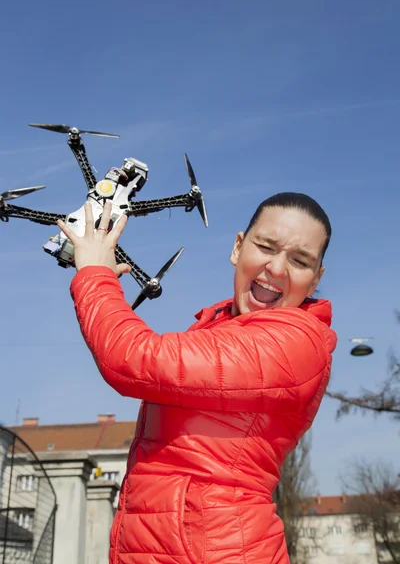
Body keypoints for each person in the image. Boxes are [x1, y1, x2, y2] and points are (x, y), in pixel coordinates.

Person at [58, 192, 337, 564]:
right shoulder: (217, 330)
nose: (277, 268)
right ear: (238, 247)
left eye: (300, 261)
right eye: (266, 246)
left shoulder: (295, 343)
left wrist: (95, 273)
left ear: (316, 279)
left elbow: (133, 359)